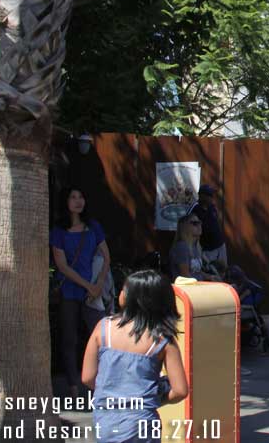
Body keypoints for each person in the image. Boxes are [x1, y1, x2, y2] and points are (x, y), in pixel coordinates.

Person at [82, 270, 188, 442]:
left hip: (106, 422)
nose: (121, 293)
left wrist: (111, 391)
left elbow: (88, 377)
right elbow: (180, 390)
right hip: (143, 423)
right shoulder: (162, 340)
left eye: (124, 290)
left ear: (134, 299)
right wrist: (154, 398)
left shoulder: (103, 328)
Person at [51, 186, 112, 400]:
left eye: (81, 196)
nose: (78, 201)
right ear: (65, 201)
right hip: (71, 290)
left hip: (93, 289)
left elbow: (106, 256)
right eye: (73, 197)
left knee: (100, 336)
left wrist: (99, 283)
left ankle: (101, 383)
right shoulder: (59, 231)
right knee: (70, 339)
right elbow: (62, 265)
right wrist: (88, 285)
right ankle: (73, 386)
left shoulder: (93, 226)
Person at [169, 213, 222, 282]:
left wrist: (210, 277)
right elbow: (185, 276)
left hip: (197, 286)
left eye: (200, 222)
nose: (199, 225)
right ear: (185, 227)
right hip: (186, 289)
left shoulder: (195, 247)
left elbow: (196, 272)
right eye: (195, 223)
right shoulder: (182, 247)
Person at [189, 185, 227, 269]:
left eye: (212, 195)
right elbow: (187, 228)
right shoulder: (195, 209)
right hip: (208, 250)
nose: (212, 197)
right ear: (202, 196)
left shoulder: (212, 207)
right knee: (210, 271)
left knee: (223, 270)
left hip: (220, 246)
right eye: (209, 195)